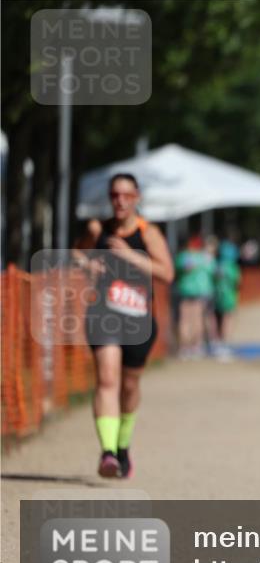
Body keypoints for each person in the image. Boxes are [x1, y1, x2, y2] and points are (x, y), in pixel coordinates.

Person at [74, 173, 174, 478]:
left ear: (137, 198)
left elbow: (167, 273)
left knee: (129, 386)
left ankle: (122, 445)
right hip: (103, 314)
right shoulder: (98, 229)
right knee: (107, 380)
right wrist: (86, 263)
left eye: (126, 196)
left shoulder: (148, 233)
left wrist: (131, 257)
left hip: (138, 320)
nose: (120, 201)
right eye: (115, 195)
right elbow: (77, 252)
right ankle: (107, 453)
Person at [174, 235, 214, 359]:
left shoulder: (183, 256)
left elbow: (178, 269)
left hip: (185, 290)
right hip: (200, 291)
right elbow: (212, 271)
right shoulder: (205, 257)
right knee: (197, 319)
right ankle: (196, 346)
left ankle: (184, 348)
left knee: (185, 320)